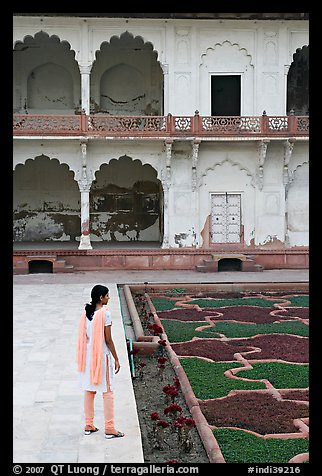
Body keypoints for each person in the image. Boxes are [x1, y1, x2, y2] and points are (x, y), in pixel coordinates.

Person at [77, 284, 124, 439]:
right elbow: (108, 340)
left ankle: (88, 425)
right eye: (107, 295)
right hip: (101, 356)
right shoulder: (105, 314)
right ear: (100, 297)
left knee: (89, 390)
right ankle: (110, 428)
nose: (109, 298)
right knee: (108, 391)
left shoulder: (86, 312)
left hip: (88, 356)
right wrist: (116, 358)